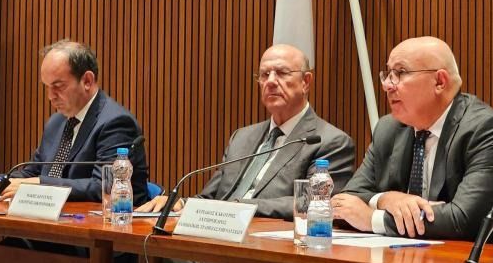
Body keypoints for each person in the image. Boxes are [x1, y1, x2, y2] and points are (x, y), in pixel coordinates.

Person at [334, 36, 493, 241]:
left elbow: (461, 221)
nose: (387, 85)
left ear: (439, 81)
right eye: (387, 74)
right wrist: (387, 199)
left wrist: (372, 219)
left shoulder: (487, 131)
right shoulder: (390, 129)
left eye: (400, 73)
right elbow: (344, 202)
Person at [138, 44, 355, 219]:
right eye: (264, 74)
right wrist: (179, 203)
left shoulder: (330, 141)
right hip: (215, 236)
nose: (270, 81)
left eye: (281, 73)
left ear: (306, 82)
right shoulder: (242, 137)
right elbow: (210, 197)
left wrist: (238, 208)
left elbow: (312, 203)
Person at [0, 39, 149, 205]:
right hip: (47, 225)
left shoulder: (115, 122)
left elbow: (103, 187)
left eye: (58, 86)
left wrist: (40, 184)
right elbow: (31, 173)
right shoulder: (56, 122)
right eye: (47, 87)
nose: (50, 97)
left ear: (87, 80)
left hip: (92, 233)